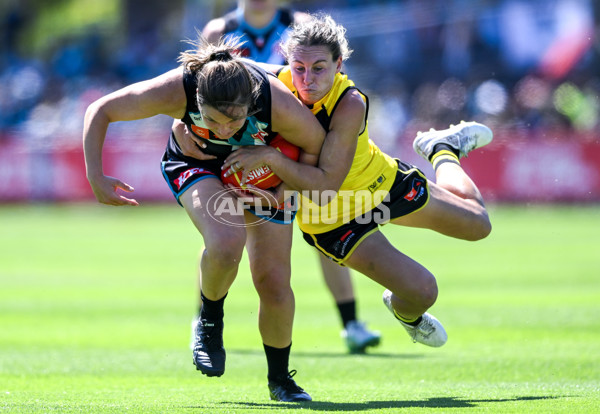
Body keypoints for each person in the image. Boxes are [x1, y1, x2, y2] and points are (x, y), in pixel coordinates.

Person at [179, 13, 493, 348]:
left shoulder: (350, 103)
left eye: (319, 68)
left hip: (381, 185)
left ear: (338, 64)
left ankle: (442, 150)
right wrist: (183, 126)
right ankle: (407, 314)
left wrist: (272, 159)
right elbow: (206, 91)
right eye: (299, 68)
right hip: (333, 221)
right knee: (423, 291)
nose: (307, 79)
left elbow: (325, 182)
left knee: (479, 226)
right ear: (287, 62)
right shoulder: (268, 88)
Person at [82, 36, 327, 402]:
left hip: (262, 170)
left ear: (251, 103)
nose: (223, 131)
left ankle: (281, 381)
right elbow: (100, 109)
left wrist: (288, 189)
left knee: (274, 282)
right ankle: (210, 320)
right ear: (195, 102)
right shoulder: (176, 89)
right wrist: (95, 176)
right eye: (211, 120)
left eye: (234, 121)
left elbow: (316, 143)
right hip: (196, 165)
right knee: (227, 242)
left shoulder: (275, 102)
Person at [195, 0, 381, 354]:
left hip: (300, 147)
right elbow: (200, 89)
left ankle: (351, 324)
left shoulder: (302, 25)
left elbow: (327, 81)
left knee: (327, 229)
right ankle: (202, 322)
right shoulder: (218, 31)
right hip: (240, 152)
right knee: (221, 237)